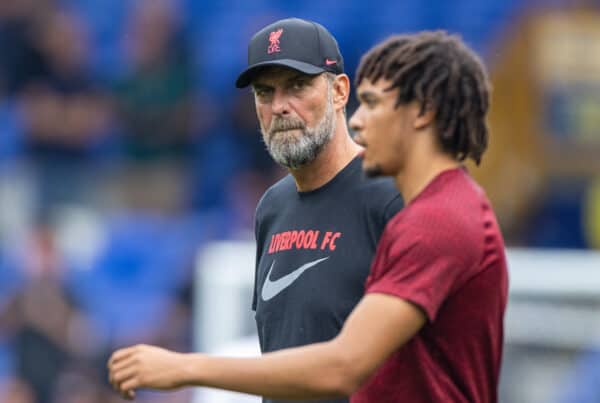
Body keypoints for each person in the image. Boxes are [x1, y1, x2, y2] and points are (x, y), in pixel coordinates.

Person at [108, 30, 509, 402]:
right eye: (265, 92)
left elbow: (345, 366)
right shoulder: (272, 208)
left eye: (298, 86)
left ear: (339, 91)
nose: (280, 106)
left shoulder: (400, 199)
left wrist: (185, 366)